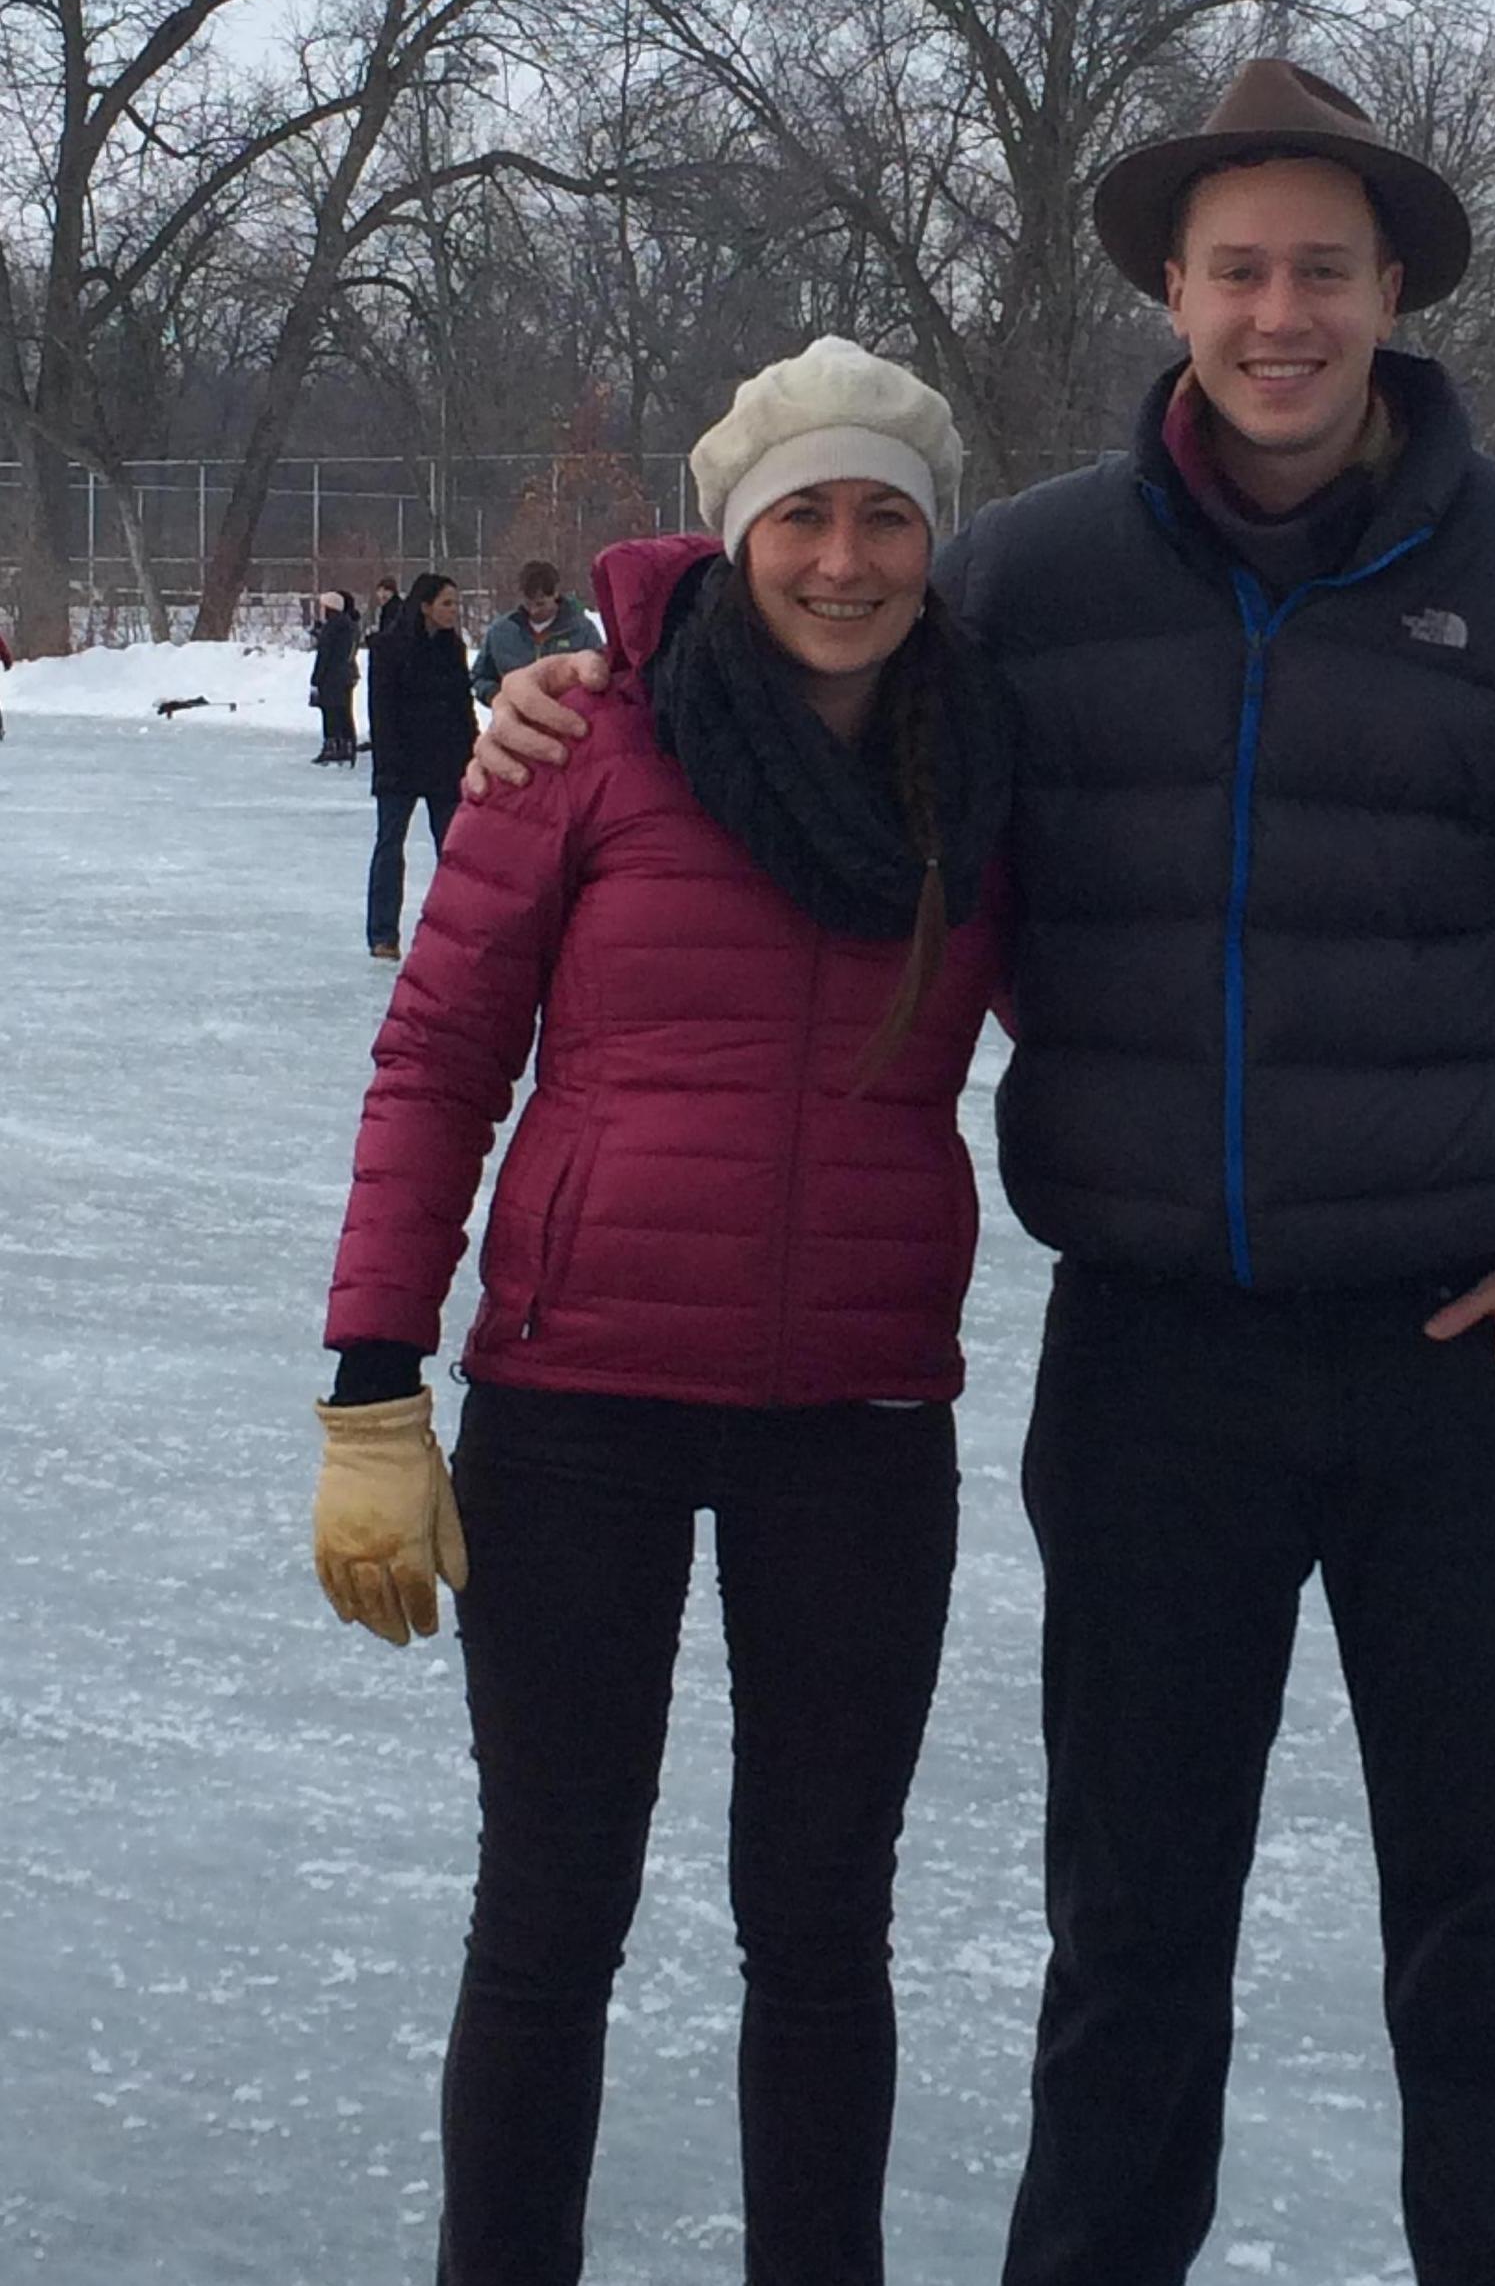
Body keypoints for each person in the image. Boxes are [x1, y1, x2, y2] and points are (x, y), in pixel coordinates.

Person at [473, 59, 1495, 2286]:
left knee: (1485, 1953)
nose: (1280, 312)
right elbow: (802, 673)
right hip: (1158, 1365)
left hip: (1466, 1368)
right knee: (1130, 1942)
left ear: (1393, 291)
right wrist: (588, 678)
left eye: (1324, 270)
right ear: (1172, 290)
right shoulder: (1030, 578)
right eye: (1237, 269)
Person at [310, 338, 1011, 2286]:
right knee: (548, 1914)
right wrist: (373, 1382)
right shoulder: (585, 743)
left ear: (931, 545)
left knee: (819, 1928)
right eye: (807, 514)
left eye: (887, 516)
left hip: (862, 1420)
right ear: (738, 530)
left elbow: (1117, 1020)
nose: (846, 558)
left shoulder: (982, 765)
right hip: (578, 1406)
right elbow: (440, 1059)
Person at [363, 575, 477, 959]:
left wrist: (473, 756)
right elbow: (382, 714)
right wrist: (388, 767)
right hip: (400, 768)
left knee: (453, 850)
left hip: (445, 766)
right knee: (390, 848)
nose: (453, 612)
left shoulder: (452, 649)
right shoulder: (388, 649)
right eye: (447, 604)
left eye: (455, 604)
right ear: (425, 606)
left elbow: (463, 710)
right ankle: (382, 934)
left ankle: (453, 930)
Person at [470, 558, 603, 703]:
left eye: (540, 603)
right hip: (515, 718)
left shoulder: (582, 631)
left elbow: (599, 675)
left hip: (569, 715)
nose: (533, 610)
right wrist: (495, 696)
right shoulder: (500, 632)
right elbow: (479, 677)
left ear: (556, 593)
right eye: (528, 602)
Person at [308, 590, 361, 764]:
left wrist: (315, 679)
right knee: (344, 711)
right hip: (346, 674)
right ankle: (346, 745)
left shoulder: (332, 627)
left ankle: (333, 746)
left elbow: (325, 654)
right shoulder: (350, 625)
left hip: (332, 676)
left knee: (331, 711)